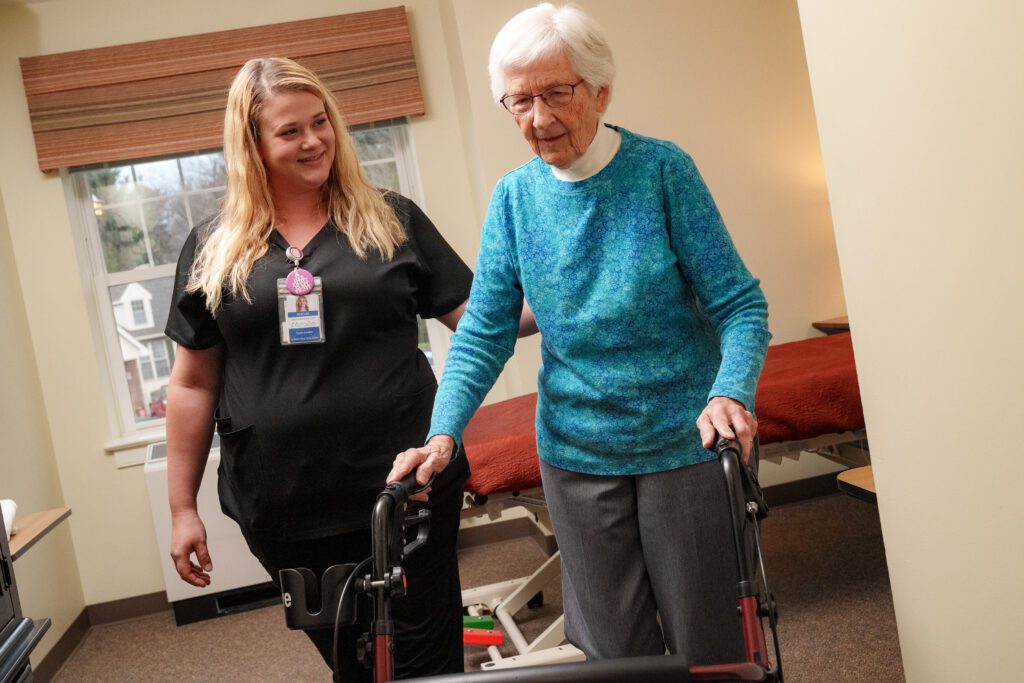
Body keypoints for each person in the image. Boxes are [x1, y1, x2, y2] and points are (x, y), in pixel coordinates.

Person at [389, 3, 770, 668]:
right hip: (575, 453)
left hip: (685, 443)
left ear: (600, 91)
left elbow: (740, 303)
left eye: (556, 93)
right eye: (519, 101)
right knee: (609, 653)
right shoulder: (514, 199)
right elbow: (482, 330)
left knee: (710, 638)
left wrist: (729, 391)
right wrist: (444, 433)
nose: (537, 118)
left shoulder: (661, 172)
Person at [164, 57, 485, 680]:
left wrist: (572, 295)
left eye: (321, 123)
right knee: (352, 662)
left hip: (407, 485)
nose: (313, 141)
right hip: (285, 502)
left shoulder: (391, 218)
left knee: (425, 657)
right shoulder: (214, 248)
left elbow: (480, 320)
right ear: (252, 145)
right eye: (289, 131)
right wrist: (183, 509)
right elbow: (193, 382)